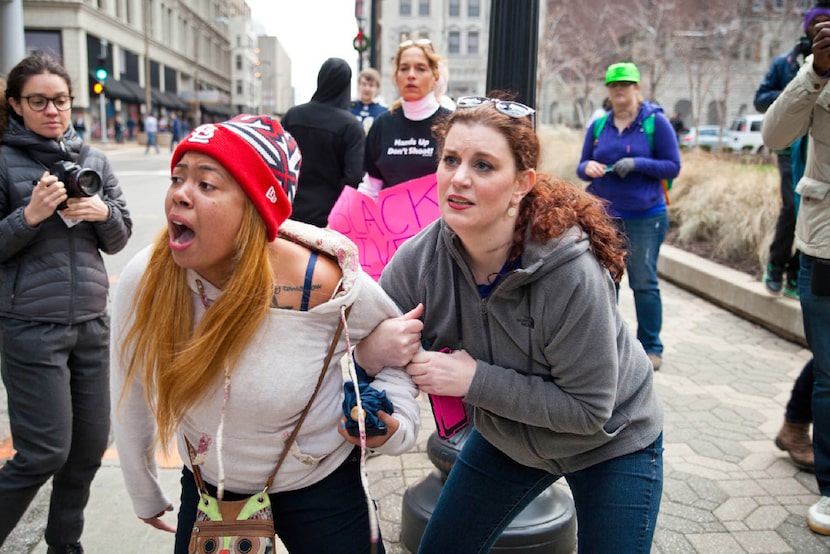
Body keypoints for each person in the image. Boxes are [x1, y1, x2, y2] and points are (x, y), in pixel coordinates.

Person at [354, 94, 664, 552]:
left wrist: (473, 379)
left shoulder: (570, 271)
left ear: (522, 184)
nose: (458, 179)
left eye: (483, 166)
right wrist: (369, 351)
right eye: (451, 160)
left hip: (612, 441)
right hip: (509, 437)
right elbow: (367, 348)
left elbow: (587, 409)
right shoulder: (420, 260)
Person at [109, 114, 420, 554]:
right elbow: (130, 383)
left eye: (206, 184)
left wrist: (396, 425)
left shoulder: (324, 280)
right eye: (178, 177)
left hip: (321, 485)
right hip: (210, 489)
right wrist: (141, 486)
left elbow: (401, 348)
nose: (180, 193)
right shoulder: (149, 275)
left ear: (254, 207)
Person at [0, 52, 132, 553]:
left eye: (60, 100)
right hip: (31, 327)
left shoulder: (93, 161)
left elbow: (118, 239)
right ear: (16, 104)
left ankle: (65, 547)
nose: (52, 110)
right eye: (38, 101)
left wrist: (100, 212)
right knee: (42, 453)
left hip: (91, 326)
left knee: (86, 451)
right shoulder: (3, 160)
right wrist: (29, 216)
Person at [763, 18, 830, 536]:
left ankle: (793, 422)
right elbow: (775, 133)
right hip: (825, 243)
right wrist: (815, 72)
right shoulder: (810, 69)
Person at [577, 62, 681, 371]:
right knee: (607, 282)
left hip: (646, 215)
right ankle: (607, 343)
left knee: (644, 281)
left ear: (637, 87)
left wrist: (637, 163)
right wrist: (589, 168)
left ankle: (651, 346)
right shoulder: (599, 126)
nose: (620, 90)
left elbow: (673, 166)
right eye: (614, 85)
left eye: (626, 84)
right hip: (605, 215)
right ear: (608, 90)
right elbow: (582, 164)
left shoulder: (655, 123)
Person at [755, 2, 830, 299]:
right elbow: (762, 100)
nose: (821, 28)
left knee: (811, 202)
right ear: (807, 28)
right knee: (792, 205)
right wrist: (803, 82)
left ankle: (797, 271)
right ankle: (776, 265)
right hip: (792, 149)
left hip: (818, 146)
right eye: (817, 24)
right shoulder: (787, 62)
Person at [359, 38, 452, 198]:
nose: (411, 75)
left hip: (440, 221)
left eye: (420, 69)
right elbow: (371, 186)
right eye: (404, 68)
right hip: (389, 221)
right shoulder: (382, 125)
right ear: (396, 77)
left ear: (435, 77)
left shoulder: (451, 124)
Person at [283, 58, 366, 227]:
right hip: (328, 219)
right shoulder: (351, 126)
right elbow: (354, 176)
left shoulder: (292, 116)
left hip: (289, 211)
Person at [350, 67, 387, 134]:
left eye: (371, 85)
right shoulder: (349, 108)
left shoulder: (383, 111)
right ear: (358, 85)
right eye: (364, 84)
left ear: (377, 88)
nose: (367, 89)